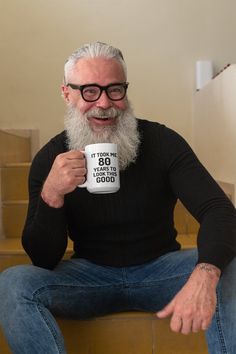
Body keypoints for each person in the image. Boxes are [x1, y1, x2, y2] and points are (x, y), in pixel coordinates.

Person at [0, 42, 236, 354]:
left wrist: (206, 274)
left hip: (162, 270)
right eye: (89, 91)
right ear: (66, 93)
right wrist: (52, 193)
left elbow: (218, 209)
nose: (104, 103)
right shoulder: (49, 160)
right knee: (12, 283)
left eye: (115, 90)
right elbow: (43, 258)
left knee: (229, 266)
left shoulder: (162, 141)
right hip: (87, 277)